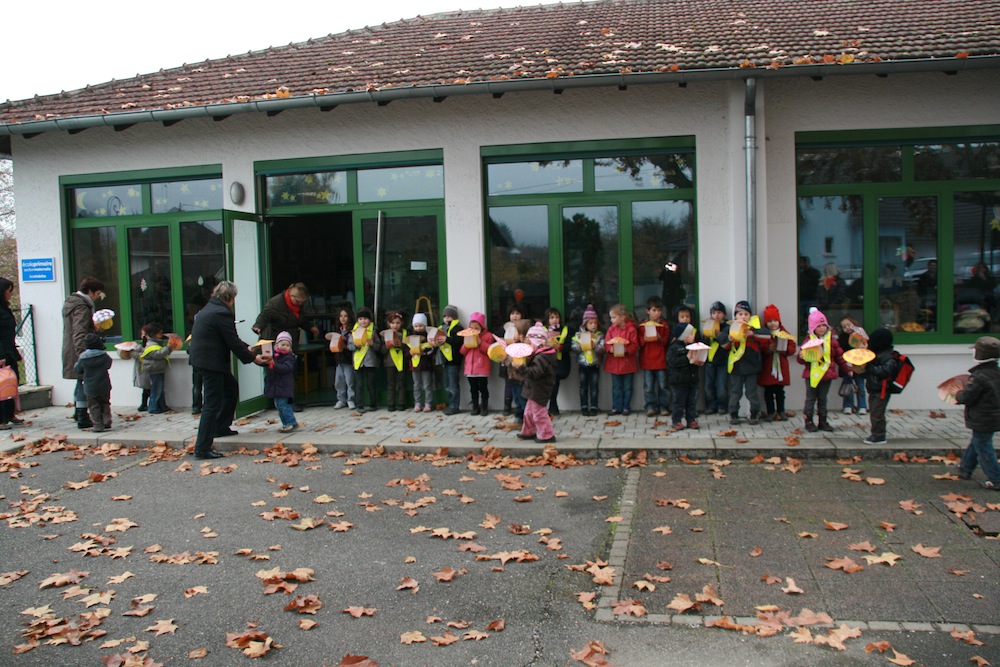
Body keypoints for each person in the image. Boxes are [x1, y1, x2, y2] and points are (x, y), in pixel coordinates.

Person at [188, 280, 270, 459]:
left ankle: (220, 427)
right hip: (211, 363)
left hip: (204, 359)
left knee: (230, 388)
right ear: (230, 298)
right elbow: (232, 340)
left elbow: (229, 338)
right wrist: (254, 358)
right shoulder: (221, 312)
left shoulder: (210, 308)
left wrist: (248, 349)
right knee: (211, 403)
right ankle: (202, 448)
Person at [252, 282, 320, 412]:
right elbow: (264, 315)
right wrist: (258, 326)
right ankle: (278, 400)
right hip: (275, 342)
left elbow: (300, 319)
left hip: (290, 343)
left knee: (289, 372)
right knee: (275, 372)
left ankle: (289, 401)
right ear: (291, 295)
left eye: (302, 302)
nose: (300, 304)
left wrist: (310, 327)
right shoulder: (276, 303)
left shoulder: (299, 305)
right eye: (298, 301)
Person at [796, 307, 851, 433]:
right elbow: (801, 359)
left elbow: (839, 356)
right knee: (810, 398)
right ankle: (809, 421)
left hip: (827, 374)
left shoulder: (832, 341)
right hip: (812, 375)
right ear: (812, 328)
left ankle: (823, 421)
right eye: (819, 326)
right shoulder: (809, 340)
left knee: (823, 399)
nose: (822, 328)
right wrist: (802, 357)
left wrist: (847, 369)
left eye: (824, 325)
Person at [956, 336, 1000, 490]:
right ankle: (965, 468)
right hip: (994, 415)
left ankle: (996, 478)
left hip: (983, 417)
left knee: (983, 446)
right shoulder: (996, 372)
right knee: (978, 441)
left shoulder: (979, 377)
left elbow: (968, 397)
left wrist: (958, 395)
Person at [62, 276, 104, 429]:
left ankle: (77, 411)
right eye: (97, 293)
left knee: (80, 382)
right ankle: (82, 416)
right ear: (90, 291)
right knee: (83, 382)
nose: (98, 296)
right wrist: (83, 355)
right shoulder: (82, 306)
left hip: (70, 348)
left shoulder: (71, 303)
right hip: (78, 350)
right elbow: (79, 332)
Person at [510, 322, 558, 443]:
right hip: (535, 389)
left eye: (529, 342)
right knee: (528, 412)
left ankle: (547, 434)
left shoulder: (541, 357)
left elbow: (534, 373)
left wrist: (521, 367)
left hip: (540, 390)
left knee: (539, 413)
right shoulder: (538, 355)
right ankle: (529, 431)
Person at [718, 300, 763, 425]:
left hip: (752, 367)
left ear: (750, 316)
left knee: (751, 392)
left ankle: (754, 413)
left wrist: (753, 334)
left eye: (746, 314)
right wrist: (729, 339)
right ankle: (733, 414)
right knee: (735, 392)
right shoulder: (730, 328)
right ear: (735, 316)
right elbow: (722, 343)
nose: (743, 317)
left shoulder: (754, 328)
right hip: (736, 367)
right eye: (740, 314)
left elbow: (767, 337)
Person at [861, 327, 900, 445]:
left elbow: (885, 371)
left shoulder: (888, 357)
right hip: (874, 388)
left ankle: (879, 435)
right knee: (874, 412)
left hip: (882, 390)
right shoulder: (877, 355)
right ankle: (876, 433)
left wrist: (869, 367)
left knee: (877, 413)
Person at [758, 304, 797, 422]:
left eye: (775, 320)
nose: (773, 323)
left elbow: (792, 347)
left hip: (781, 366)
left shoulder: (784, 333)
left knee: (780, 392)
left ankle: (781, 411)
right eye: (770, 321)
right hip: (768, 367)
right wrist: (768, 348)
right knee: (768, 392)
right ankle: (770, 412)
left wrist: (784, 350)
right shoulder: (763, 334)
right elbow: (760, 349)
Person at [603, 304, 639, 416]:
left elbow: (635, 345)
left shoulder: (631, 329)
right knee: (616, 387)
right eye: (611, 318)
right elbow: (606, 343)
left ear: (622, 317)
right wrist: (610, 349)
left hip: (627, 362)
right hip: (614, 362)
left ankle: (626, 407)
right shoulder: (611, 329)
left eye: (614, 317)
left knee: (627, 387)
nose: (611, 320)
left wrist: (627, 350)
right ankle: (616, 407)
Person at [74, 333, 112, 433]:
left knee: (94, 406)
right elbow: (109, 365)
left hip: (90, 386)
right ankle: (107, 421)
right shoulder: (104, 355)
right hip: (104, 384)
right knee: (105, 403)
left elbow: (78, 369)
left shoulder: (83, 357)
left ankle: (98, 425)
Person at [639, 297, 670, 418]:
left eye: (659, 310)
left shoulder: (664, 325)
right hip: (647, 360)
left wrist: (659, 338)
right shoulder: (642, 325)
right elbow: (638, 341)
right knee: (648, 386)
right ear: (648, 311)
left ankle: (663, 406)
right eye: (654, 310)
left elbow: (666, 341)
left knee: (663, 386)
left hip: (661, 360)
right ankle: (650, 406)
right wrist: (644, 339)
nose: (656, 313)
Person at [571, 304, 604, 416]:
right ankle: (584, 406)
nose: (593, 325)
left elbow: (602, 348)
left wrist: (595, 346)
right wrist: (580, 346)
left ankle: (594, 406)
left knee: (594, 387)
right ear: (585, 323)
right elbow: (574, 346)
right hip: (583, 364)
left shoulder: (599, 335)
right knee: (583, 387)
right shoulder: (578, 334)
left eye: (595, 323)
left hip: (595, 364)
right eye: (591, 323)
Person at [348, 307, 382, 412]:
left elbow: (379, 345)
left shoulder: (373, 331)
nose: (363, 321)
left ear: (370, 320)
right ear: (357, 320)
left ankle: (373, 404)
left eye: (365, 319)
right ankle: (360, 405)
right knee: (359, 385)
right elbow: (349, 346)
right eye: (360, 319)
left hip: (370, 362)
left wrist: (373, 344)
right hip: (358, 362)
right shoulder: (353, 331)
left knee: (371, 384)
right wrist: (356, 346)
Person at [460, 311, 495, 415]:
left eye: (477, 328)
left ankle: (484, 407)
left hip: (482, 368)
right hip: (470, 369)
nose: (474, 331)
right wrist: (466, 344)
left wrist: (480, 343)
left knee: (483, 389)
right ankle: (475, 407)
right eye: (472, 328)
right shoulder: (467, 336)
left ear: (482, 327)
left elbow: (490, 350)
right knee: (473, 389)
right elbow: (462, 351)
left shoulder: (488, 336)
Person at [0, 277, 24, 427]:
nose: (11, 294)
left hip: (9, 350)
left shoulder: (5, 308)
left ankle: (10, 413)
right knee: (2, 383)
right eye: (9, 291)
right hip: (3, 352)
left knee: (12, 381)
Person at [667, 322, 699, 430]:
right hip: (679, 380)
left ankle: (691, 420)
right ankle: (676, 420)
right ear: (683, 336)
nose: (693, 336)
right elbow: (673, 362)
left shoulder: (693, 346)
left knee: (691, 402)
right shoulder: (674, 348)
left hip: (692, 379)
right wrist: (687, 357)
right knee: (679, 402)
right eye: (690, 334)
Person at [266, 331, 299, 433]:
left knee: (283, 405)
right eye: (282, 344)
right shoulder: (274, 355)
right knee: (279, 405)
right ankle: (285, 423)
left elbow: (286, 368)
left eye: (287, 345)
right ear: (277, 345)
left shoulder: (289, 357)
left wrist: (274, 365)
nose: (285, 347)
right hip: (276, 385)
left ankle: (291, 422)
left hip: (284, 385)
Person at [837, 315, 868, 415]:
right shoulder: (842, 337)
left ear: (854, 324)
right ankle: (848, 406)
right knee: (848, 386)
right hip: (847, 365)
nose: (847, 328)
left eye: (849, 325)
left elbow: (866, 344)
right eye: (844, 327)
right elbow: (841, 350)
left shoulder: (860, 334)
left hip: (859, 364)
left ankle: (862, 406)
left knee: (860, 386)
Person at [139, 323, 173, 414]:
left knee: (160, 389)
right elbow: (158, 355)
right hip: (155, 370)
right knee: (156, 389)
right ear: (153, 334)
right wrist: (168, 347)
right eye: (159, 333)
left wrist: (169, 349)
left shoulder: (156, 343)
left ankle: (162, 406)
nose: (161, 335)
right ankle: (153, 407)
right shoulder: (150, 345)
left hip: (158, 369)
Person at [544, 307, 571, 416]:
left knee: (554, 382)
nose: (554, 320)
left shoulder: (565, 330)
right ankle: (553, 407)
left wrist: (560, 347)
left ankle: (553, 407)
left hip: (561, 362)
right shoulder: (543, 330)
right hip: (547, 362)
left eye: (556, 317)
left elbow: (569, 346)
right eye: (551, 317)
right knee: (551, 384)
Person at [703, 301, 729, 415]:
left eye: (719, 312)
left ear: (724, 314)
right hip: (709, 360)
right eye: (714, 313)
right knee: (708, 385)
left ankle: (722, 406)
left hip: (722, 360)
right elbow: (703, 343)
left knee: (721, 385)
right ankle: (710, 405)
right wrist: (705, 337)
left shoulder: (727, 327)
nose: (716, 315)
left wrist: (719, 335)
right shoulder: (708, 325)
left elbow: (726, 343)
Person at [500, 305, 525, 419]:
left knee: (519, 387)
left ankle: (521, 411)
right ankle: (507, 406)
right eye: (512, 313)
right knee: (509, 384)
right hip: (508, 361)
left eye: (517, 313)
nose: (515, 316)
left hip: (520, 363)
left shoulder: (524, 329)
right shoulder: (504, 327)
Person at [437, 305, 464, 415]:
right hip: (444, 360)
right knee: (448, 385)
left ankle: (454, 406)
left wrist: (446, 339)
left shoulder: (458, 328)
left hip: (454, 361)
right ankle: (451, 405)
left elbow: (458, 342)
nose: (447, 318)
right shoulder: (441, 328)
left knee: (453, 385)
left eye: (449, 316)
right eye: (445, 316)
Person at [381, 312, 408, 412]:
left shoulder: (405, 333)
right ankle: (391, 404)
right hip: (389, 363)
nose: (395, 325)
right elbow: (381, 350)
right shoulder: (385, 334)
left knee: (401, 383)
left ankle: (401, 403)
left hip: (401, 362)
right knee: (391, 384)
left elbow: (408, 348)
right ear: (389, 324)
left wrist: (400, 345)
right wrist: (387, 346)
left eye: (397, 323)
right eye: (392, 323)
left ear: (401, 323)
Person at [331, 307, 357, 410]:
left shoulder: (352, 331)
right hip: (339, 360)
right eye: (341, 316)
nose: (343, 318)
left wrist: (345, 343)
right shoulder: (337, 330)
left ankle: (351, 399)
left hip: (348, 360)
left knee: (350, 381)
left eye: (345, 316)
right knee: (339, 381)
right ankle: (341, 399)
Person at [410, 313, 435, 412]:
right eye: (416, 326)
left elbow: (432, 350)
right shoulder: (411, 337)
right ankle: (417, 403)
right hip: (414, 365)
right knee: (416, 384)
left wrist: (424, 353)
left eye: (420, 325)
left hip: (426, 365)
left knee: (427, 385)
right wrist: (410, 352)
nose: (418, 328)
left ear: (425, 326)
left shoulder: (429, 337)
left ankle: (428, 403)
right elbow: (406, 351)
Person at [130, 326, 152, 412]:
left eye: (143, 334)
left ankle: (147, 404)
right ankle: (144, 404)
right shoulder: (139, 346)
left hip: (146, 368)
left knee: (147, 387)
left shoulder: (148, 345)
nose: (142, 335)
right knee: (145, 387)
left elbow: (143, 355)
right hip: (142, 369)